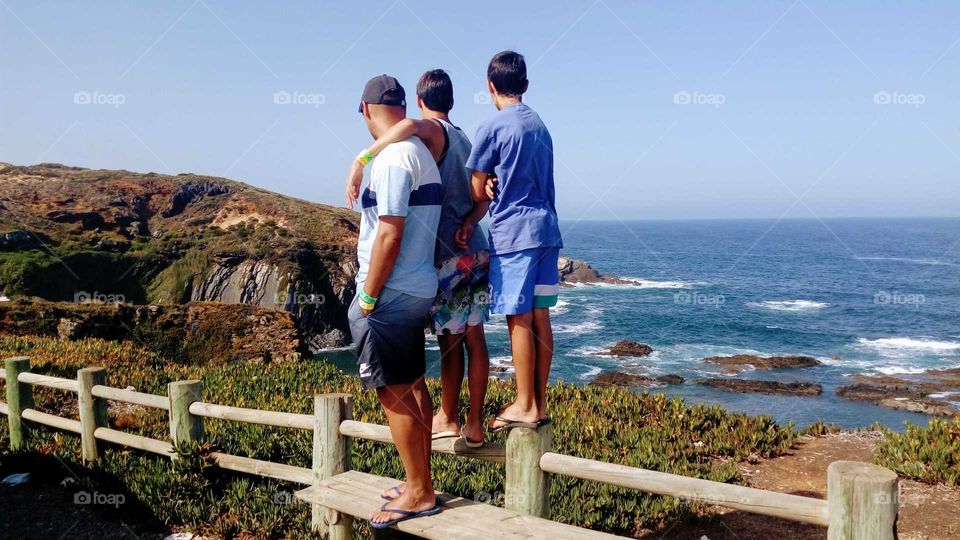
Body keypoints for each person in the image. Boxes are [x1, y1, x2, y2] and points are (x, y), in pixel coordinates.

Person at [346, 70, 491, 464]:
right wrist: (471, 222)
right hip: (476, 244)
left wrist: (364, 157)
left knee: (449, 340)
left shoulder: (429, 133)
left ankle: (449, 416)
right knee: (474, 336)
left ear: (421, 101)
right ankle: (474, 423)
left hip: (446, 250)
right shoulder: (466, 139)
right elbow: (485, 192)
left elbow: (408, 125)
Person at [347, 74, 443, 528]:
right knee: (413, 384)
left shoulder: (392, 159)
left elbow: (389, 230)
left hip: (392, 290)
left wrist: (367, 296)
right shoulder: (420, 149)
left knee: (395, 392)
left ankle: (420, 491)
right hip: (417, 285)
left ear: (365, 110)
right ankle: (417, 480)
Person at [466, 51, 562, 431]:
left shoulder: (493, 127)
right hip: (546, 230)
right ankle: (537, 402)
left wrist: (484, 186)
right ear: (525, 85)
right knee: (541, 314)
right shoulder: (541, 127)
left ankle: (523, 404)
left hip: (514, 235)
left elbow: (477, 188)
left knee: (517, 316)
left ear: (491, 86)